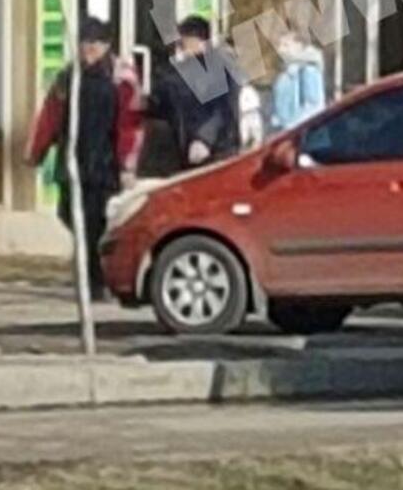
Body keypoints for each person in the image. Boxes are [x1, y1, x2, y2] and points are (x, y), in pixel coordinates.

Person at [25, 18, 143, 299]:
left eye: (96, 44)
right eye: (85, 43)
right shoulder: (68, 77)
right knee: (68, 214)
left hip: (105, 161)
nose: (89, 49)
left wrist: (127, 163)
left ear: (107, 46)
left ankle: (96, 281)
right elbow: (50, 117)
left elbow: (130, 124)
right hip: (73, 160)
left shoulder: (120, 78)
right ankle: (91, 275)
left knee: (95, 223)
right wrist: (36, 152)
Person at [149, 15, 242, 170]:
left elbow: (224, 109)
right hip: (186, 148)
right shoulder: (181, 70)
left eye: (183, 43)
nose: (180, 49)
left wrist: (204, 139)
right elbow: (166, 103)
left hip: (218, 151)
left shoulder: (220, 69)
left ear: (198, 41)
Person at [269, 33, 326, 133]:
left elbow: (313, 108)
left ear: (299, 46)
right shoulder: (283, 76)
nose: (280, 50)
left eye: (286, 45)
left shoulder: (309, 70)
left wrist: (291, 129)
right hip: (285, 135)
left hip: (304, 135)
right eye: (279, 45)